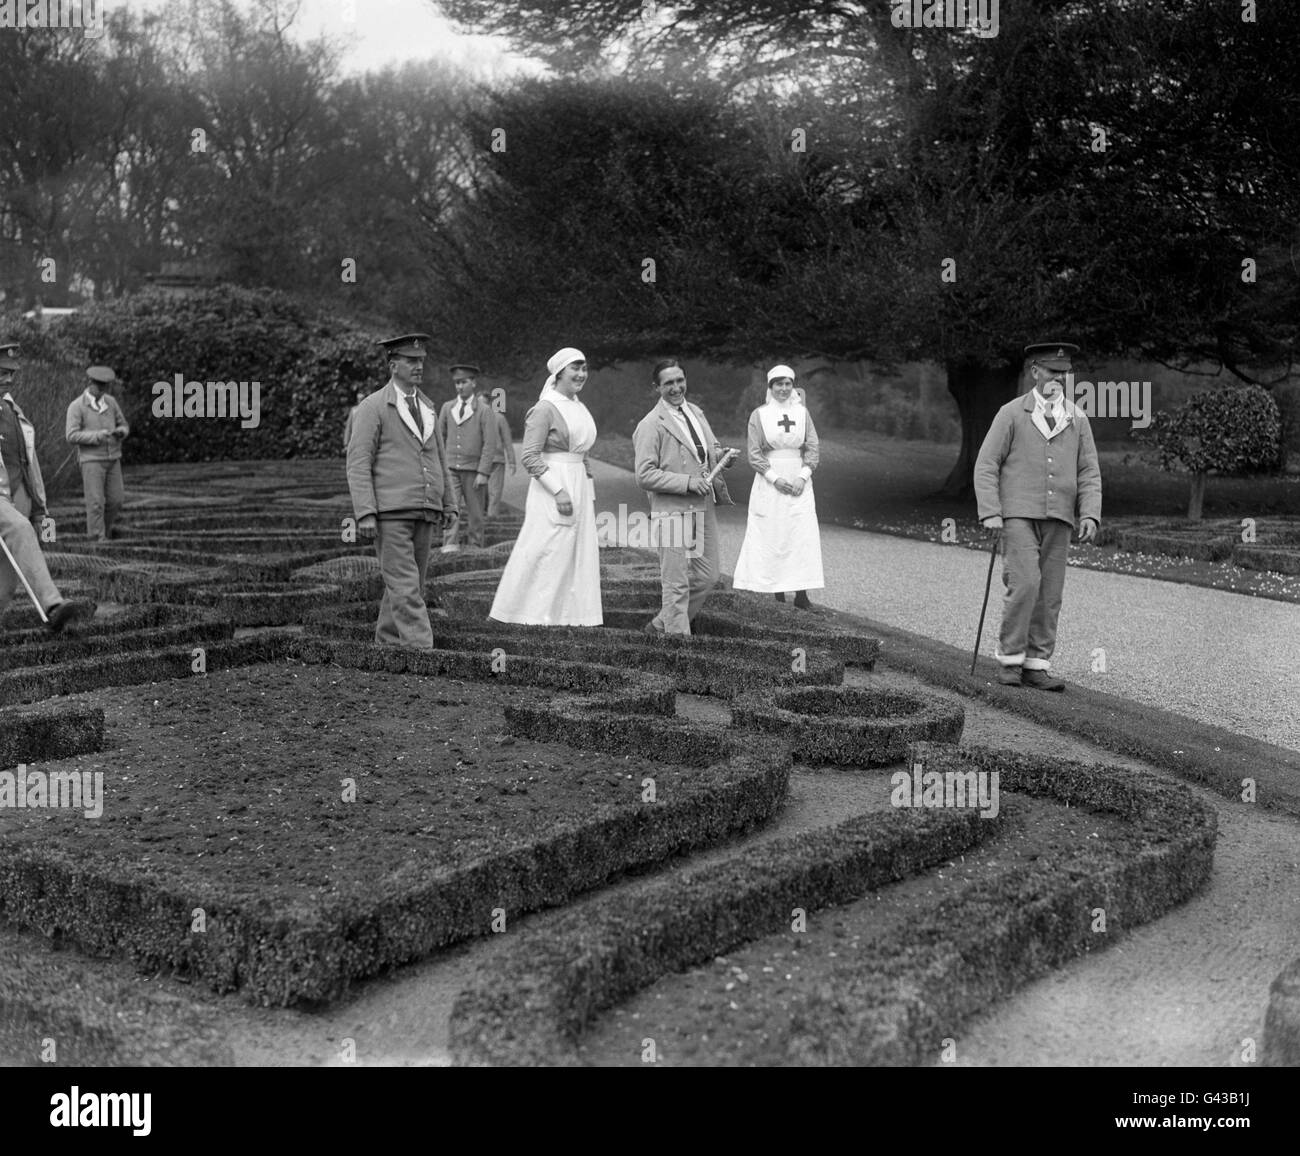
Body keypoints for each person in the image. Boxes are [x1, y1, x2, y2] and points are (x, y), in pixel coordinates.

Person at [974, 341, 1102, 691]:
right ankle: (1011, 661)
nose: (1059, 378)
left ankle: (1036, 665)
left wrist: (1090, 513)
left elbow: (1089, 471)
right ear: (1035, 372)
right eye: (1052, 371)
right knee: (1025, 584)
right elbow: (986, 465)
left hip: (1060, 517)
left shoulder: (1078, 418)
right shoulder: (1011, 413)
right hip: (1017, 514)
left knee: (1049, 593)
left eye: (1064, 373)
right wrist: (990, 512)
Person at [345, 333, 457, 649]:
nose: (418, 366)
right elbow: (358, 462)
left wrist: (449, 504)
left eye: (421, 360)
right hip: (390, 513)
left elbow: (440, 458)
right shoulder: (372, 406)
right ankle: (423, 649)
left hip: (426, 509)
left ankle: (388, 642)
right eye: (411, 361)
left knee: (410, 584)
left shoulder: (428, 407)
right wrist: (365, 512)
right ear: (393, 365)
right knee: (406, 586)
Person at [489, 347, 601, 626]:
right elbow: (529, 456)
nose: (581, 374)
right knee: (543, 549)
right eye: (575, 368)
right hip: (552, 487)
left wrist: (589, 493)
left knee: (575, 551)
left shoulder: (580, 406)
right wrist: (559, 491)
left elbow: (582, 455)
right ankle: (520, 613)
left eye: (584, 368)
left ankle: (571, 616)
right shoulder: (544, 408)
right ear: (559, 373)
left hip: (578, 485)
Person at [633, 358, 737, 635]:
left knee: (709, 576)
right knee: (676, 584)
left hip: (702, 506)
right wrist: (689, 482)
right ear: (657, 387)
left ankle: (659, 625)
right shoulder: (650, 424)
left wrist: (722, 456)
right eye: (669, 383)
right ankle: (679, 648)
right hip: (671, 510)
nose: (676, 387)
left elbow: (709, 447)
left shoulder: (696, 412)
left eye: (680, 380)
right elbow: (644, 475)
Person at [0, 348, 87, 632]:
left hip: (19, 497)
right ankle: (53, 605)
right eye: (2, 372)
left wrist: (40, 511)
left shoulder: (14, 410)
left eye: (11, 373)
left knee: (5, 586)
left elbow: (30, 462)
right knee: (21, 529)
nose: (8, 379)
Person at [731, 364, 825, 610]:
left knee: (800, 534)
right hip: (771, 480)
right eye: (778, 384)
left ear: (793, 386)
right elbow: (754, 454)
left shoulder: (802, 413)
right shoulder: (759, 415)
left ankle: (802, 593)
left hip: (799, 478)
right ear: (770, 387)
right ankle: (778, 592)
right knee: (775, 533)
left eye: (787, 384)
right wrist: (775, 478)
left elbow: (812, 447)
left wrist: (802, 476)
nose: (783, 389)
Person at [437, 363, 498, 552]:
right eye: (456, 383)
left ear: (473, 383)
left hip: (474, 470)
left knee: (476, 513)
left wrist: (483, 472)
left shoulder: (484, 410)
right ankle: (449, 546)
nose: (459, 386)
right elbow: (440, 438)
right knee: (450, 508)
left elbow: (490, 443)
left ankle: (474, 548)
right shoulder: (447, 408)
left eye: (463, 382)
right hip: (450, 469)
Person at [65, 365, 129, 542]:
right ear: (89, 383)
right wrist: (97, 436)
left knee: (116, 500)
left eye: (105, 387)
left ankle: (104, 533)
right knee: (95, 503)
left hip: (113, 458)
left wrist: (121, 432)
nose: (102, 390)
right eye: (99, 386)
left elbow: (124, 424)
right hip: (91, 460)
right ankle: (96, 538)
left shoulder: (111, 402)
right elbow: (71, 435)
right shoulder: (77, 406)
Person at [475, 381, 517, 517]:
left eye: (484, 403)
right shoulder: (473, 418)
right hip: (479, 460)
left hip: (495, 460)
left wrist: (512, 461)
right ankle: (480, 517)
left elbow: (507, 441)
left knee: (494, 491)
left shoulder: (499, 418)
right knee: (480, 490)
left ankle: (491, 519)